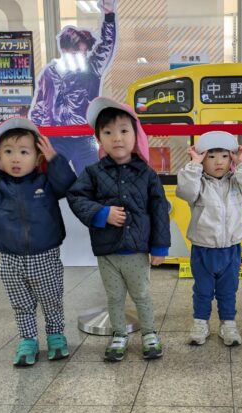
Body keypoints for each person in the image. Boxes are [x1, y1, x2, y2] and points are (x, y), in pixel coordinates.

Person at [0, 118, 77, 366]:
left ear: (37, 157)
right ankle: (28, 339)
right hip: (10, 259)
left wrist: (54, 158)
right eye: (8, 152)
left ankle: (56, 335)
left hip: (45, 256)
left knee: (52, 300)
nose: (16, 159)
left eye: (24, 152)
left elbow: (68, 185)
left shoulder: (46, 182)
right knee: (21, 303)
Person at [67, 97, 171, 362]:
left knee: (142, 295)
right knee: (114, 297)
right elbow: (76, 197)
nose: (117, 138)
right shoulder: (93, 172)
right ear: (99, 138)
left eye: (124, 131)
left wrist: (160, 246)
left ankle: (149, 333)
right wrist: (102, 213)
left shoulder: (146, 173)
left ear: (136, 135)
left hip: (137, 250)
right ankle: (119, 334)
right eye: (108, 132)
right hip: (108, 251)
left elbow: (159, 209)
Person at [176, 132, 242, 347]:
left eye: (224, 156)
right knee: (202, 290)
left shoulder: (237, 183)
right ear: (202, 160)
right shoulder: (198, 184)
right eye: (211, 157)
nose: (218, 162)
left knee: (228, 290)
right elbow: (185, 191)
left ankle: (228, 324)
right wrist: (194, 166)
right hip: (202, 249)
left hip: (231, 249)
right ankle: (200, 323)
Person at [29, 0, 117, 175]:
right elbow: (40, 104)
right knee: (50, 180)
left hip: (83, 137)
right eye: (77, 52)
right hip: (55, 137)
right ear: (65, 50)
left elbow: (106, 45)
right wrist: (35, 135)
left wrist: (108, 16)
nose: (82, 56)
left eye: (84, 52)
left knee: (92, 180)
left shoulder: (92, 68)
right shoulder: (49, 73)